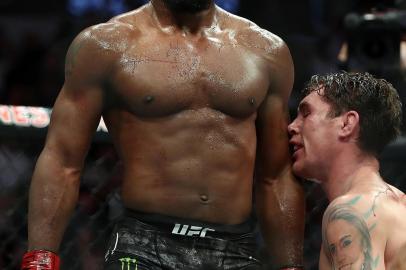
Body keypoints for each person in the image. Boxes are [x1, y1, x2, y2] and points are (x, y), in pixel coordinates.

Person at [21, 0, 305, 269]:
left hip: (235, 248)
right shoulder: (106, 46)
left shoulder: (265, 51)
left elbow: (276, 175)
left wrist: (290, 265)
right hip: (142, 245)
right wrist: (40, 260)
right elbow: (62, 161)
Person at [288, 72, 406, 269]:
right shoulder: (399, 203)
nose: (291, 126)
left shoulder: (351, 210)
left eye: (306, 113)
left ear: (347, 123)